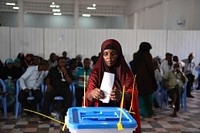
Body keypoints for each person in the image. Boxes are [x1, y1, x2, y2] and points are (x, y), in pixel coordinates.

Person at [84, 39, 141, 133]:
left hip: (121, 115)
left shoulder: (126, 73)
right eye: (105, 54)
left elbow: (132, 93)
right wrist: (93, 93)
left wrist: (121, 94)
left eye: (113, 53)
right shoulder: (96, 73)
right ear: (102, 55)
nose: (109, 57)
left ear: (119, 54)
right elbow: (88, 95)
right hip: (100, 114)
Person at [130, 42, 157, 118]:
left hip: (137, 80)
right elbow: (150, 69)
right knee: (148, 96)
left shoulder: (136, 56)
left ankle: (141, 112)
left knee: (140, 96)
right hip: (146, 80)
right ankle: (148, 113)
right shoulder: (147, 56)